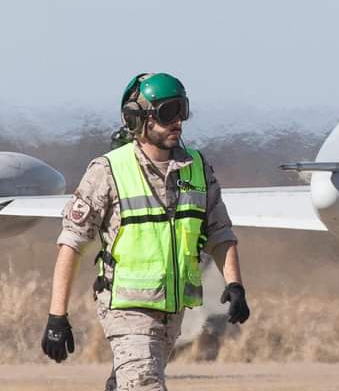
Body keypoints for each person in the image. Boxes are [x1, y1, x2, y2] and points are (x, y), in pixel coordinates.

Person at [41, 73, 250, 390]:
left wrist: (234, 285)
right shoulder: (108, 170)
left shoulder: (197, 168)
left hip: (173, 311)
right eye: (168, 112)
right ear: (137, 119)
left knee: (135, 380)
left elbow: (220, 232)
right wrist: (57, 316)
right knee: (144, 384)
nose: (178, 121)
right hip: (127, 308)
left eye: (183, 110)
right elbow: (71, 243)